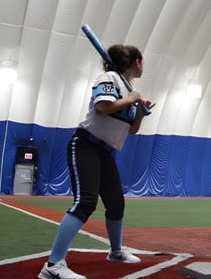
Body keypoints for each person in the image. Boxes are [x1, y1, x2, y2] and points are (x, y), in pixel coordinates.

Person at [38, 44, 156, 279]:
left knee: (116, 203)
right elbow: (102, 107)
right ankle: (53, 265)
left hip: (106, 152)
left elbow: (131, 131)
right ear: (137, 62)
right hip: (85, 145)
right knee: (86, 202)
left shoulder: (128, 87)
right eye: (143, 62)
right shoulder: (110, 77)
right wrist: (131, 98)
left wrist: (140, 112)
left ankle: (115, 252)